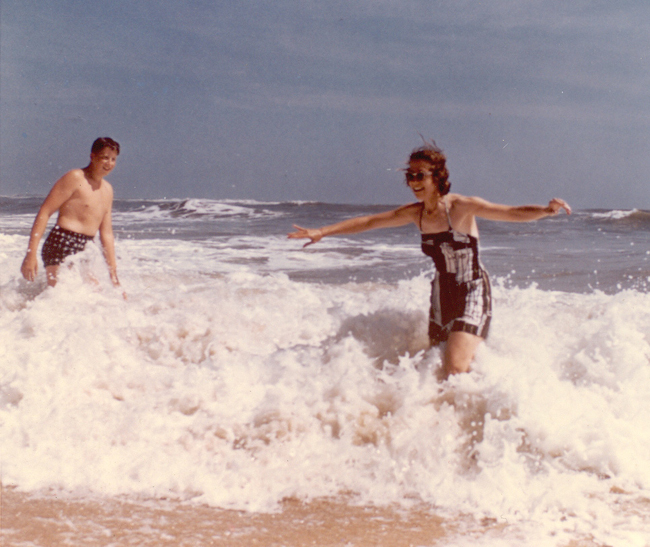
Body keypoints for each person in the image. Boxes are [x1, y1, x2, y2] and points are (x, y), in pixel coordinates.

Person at [288, 140, 571, 378]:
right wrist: (322, 232)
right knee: (435, 368)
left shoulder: (460, 207)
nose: (413, 182)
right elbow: (370, 222)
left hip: (472, 288)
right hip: (441, 294)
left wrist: (546, 211)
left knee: (455, 367)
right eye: (409, 176)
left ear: (437, 176)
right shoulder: (416, 213)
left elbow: (509, 212)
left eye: (419, 175)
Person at [20, 137, 123, 289]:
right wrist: (30, 254)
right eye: (105, 157)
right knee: (61, 293)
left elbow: (106, 233)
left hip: (86, 247)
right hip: (61, 242)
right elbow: (45, 212)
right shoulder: (75, 177)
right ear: (92, 156)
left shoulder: (108, 190)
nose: (109, 163)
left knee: (93, 293)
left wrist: (114, 277)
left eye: (113, 159)